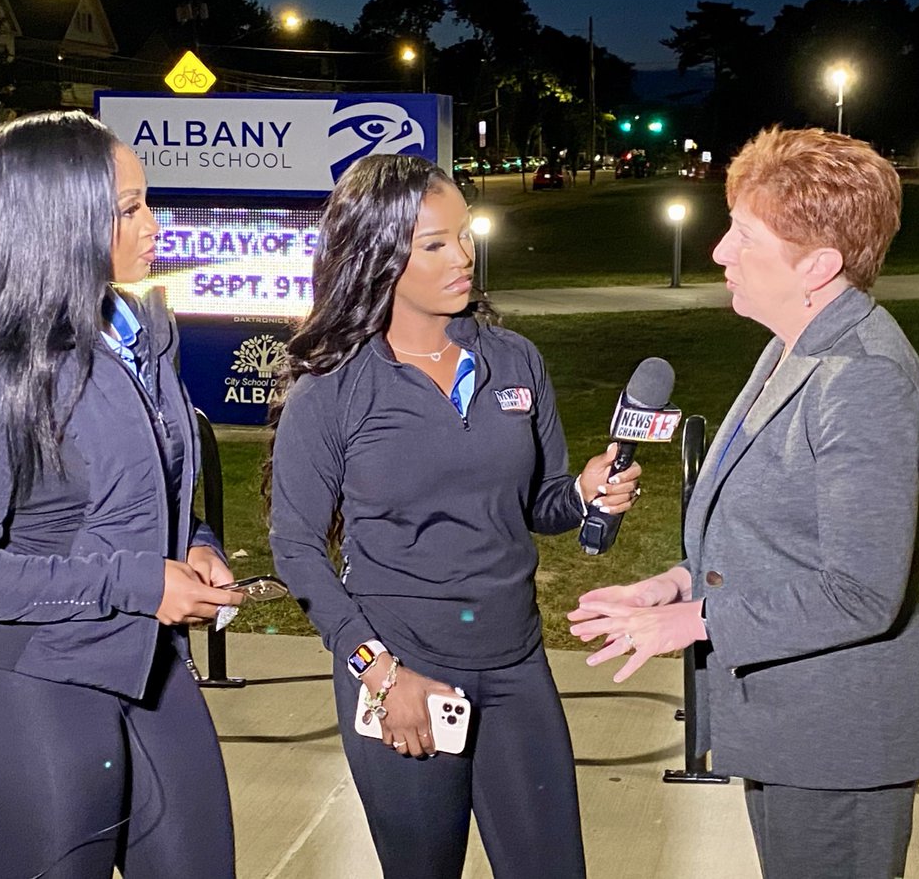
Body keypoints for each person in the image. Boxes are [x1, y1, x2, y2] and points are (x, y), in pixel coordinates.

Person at [569, 127, 919, 879]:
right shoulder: (792, 344)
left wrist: (692, 622)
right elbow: (780, 541)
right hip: (796, 728)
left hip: (840, 741)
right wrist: (675, 583)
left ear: (816, 264)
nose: (719, 251)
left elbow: (860, 592)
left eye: (745, 236)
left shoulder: (862, 378)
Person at [266, 153, 640, 879]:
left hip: (516, 661)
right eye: (433, 243)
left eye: (464, 235)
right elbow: (296, 549)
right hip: (404, 667)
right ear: (377, 256)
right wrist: (380, 672)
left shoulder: (515, 360)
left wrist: (587, 495)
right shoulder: (334, 389)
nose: (463, 256)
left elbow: (541, 501)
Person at [0, 110, 246, 878]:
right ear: (57, 224)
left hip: (145, 663)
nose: (154, 224)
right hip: (30, 684)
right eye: (128, 209)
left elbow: (149, 490)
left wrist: (196, 544)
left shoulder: (142, 331)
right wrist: (138, 580)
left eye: (146, 201)